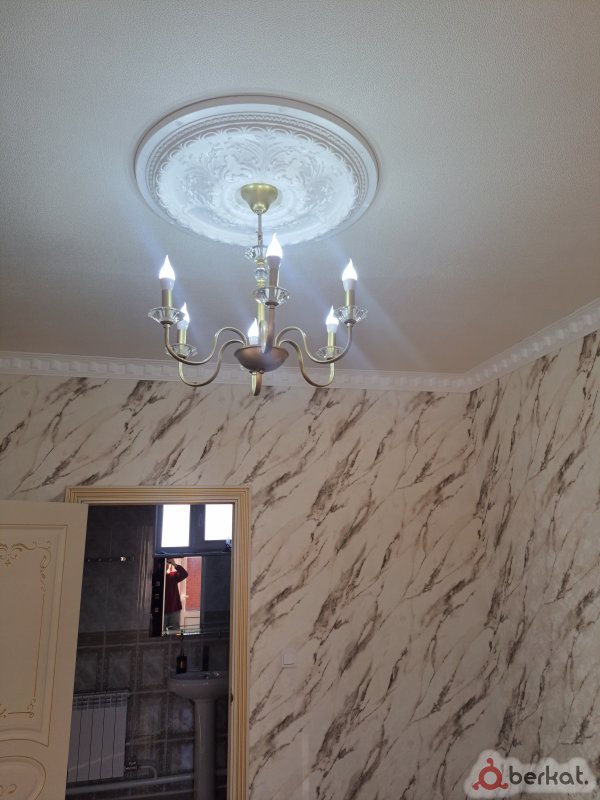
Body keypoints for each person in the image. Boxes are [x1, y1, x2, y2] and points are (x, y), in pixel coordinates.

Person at [163, 558, 188, 632]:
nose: (166, 564)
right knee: (160, 633)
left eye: (167, 562)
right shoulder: (157, 578)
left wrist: (174, 564)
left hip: (174, 610)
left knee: (174, 633)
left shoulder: (172, 576)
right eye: (165, 562)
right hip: (162, 612)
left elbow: (184, 574)